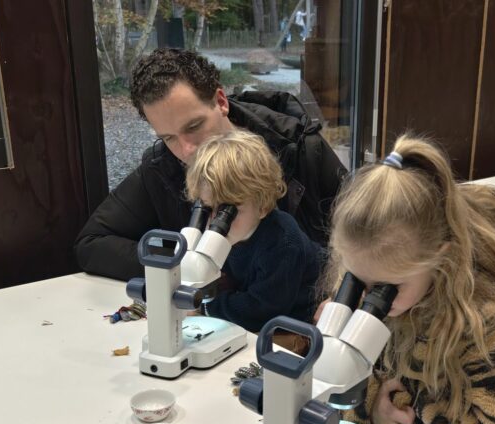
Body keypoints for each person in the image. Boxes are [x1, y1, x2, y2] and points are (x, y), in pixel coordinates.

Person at [324, 134, 495, 424]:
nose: (370, 299)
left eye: (386, 288)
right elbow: (341, 387)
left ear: (440, 259)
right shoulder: (382, 278)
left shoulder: (490, 321)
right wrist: (373, 408)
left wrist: (405, 410)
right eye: (357, 281)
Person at [75, 48, 346, 281]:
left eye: (194, 126)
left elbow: (362, 232)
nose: (187, 150)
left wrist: (336, 291)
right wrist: (183, 260)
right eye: (169, 137)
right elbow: (92, 243)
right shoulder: (162, 167)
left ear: (221, 102)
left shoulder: (300, 147)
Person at [185, 130, 323, 333]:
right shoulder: (232, 232)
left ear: (263, 206)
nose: (214, 221)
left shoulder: (283, 242)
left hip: (294, 323)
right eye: (206, 208)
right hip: (252, 311)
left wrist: (204, 304)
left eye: (228, 211)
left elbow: (260, 313)